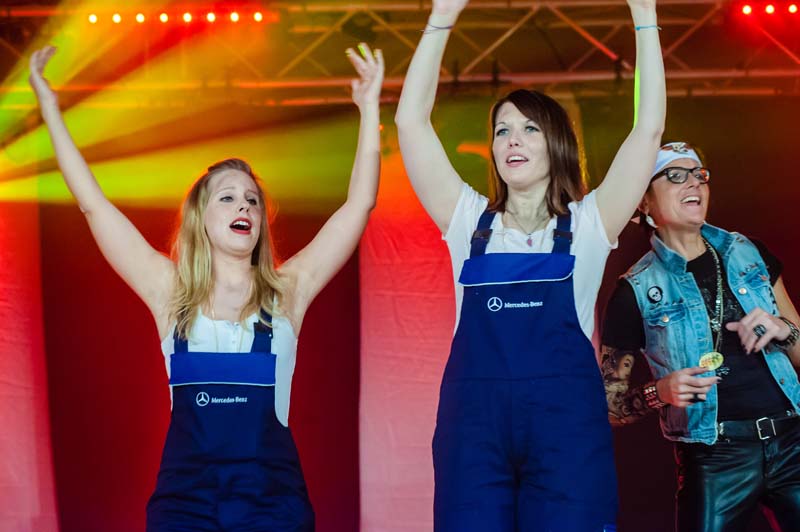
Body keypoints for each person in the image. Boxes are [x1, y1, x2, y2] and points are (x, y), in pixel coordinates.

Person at [28, 42, 383, 531]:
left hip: (273, 506)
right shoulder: (169, 293)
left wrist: (369, 108)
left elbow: (358, 205)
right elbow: (94, 205)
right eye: (228, 198)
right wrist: (49, 108)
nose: (244, 207)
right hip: (186, 506)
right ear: (201, 217)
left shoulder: (288, 291)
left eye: (252, 200)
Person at [394, 0, 665, 529]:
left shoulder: (589, 224)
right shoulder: (466, 221)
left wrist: (644, 13)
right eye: (502, 130)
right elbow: (410, 122)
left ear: (556, 144)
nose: (512, 139)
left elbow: (648, 130)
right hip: (474, 433)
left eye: (528, 128)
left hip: (566, 432)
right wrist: (442, 16)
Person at [601, 141, 800, 531]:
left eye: (699, 174)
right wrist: (660, 392)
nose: (693, 182)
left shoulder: (749, 252)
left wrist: (784, 331)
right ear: (644, 202)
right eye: (675, 176)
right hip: (716, 457)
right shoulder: (634, 291)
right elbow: (610, 407)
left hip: (792, 439)